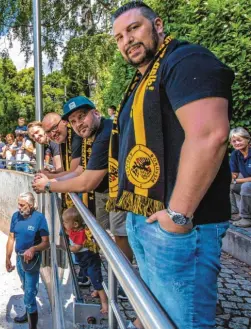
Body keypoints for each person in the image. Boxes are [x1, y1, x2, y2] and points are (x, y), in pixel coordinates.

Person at [110, 3, 234, 328]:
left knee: (180, 323)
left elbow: (210, 135)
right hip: (150, 218)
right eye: (119, 37)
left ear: (158, 25)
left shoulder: (186, 59)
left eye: (134, 28)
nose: (127, 40)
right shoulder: (141, 81)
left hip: (181, 226)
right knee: (156, 316)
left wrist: (177, 216)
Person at [33, 96, 133, 270]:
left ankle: (125, 281)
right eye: (73, 121)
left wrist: (49, 185)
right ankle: (113, 278)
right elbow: (80, 171)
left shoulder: (104, 133)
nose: (78, 123)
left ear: (96, 113)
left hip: (123, 190)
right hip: (109, 189)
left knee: (120, 233)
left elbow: (86, 182)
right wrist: (50, 180)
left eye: (81, 116)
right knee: (104, 232)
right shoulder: (90, 134)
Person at [6, 192, 50, 328]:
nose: (19, 207)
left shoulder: (39, 218)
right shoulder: (15, 216)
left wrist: (33, 249)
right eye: (18, 204)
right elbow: (11, 237)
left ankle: (33, 326)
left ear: (30, 206)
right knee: (25, 287)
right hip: (19, 259)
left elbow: (46, 243)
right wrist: (7, 258)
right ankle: (27, 314)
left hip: (32, 261)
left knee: (30, 294)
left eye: (22, 205)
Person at [62, 207, 108, 314]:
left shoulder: (81, 233)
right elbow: (68, 233)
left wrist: (66, 248)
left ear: (75, 224)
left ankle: (105, 303)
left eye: (65, 222)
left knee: (96, 279)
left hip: (90, 259)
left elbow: (77, 248)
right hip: (83, 260)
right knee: (88, 274)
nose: (63, 224)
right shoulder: (72, 230)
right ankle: (96, 290)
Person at [229, 127, 251, 228]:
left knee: (246, 186)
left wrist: (236, 180)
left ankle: (246, 218)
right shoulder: (235, 154)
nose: (237, 143)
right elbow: (234, 174)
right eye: (234, 141)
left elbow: (236, 179)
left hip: (248, 186)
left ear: (247, 139)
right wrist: (229, 177)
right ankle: (234, 214)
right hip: (247, 185)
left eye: (240, 140)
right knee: (227, 185)